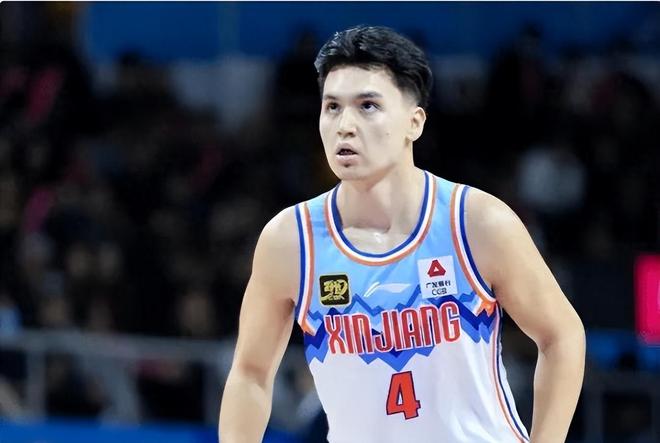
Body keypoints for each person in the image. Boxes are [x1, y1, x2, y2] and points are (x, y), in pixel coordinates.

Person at [219, 25, 585, 443]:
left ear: (414, 122)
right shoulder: (290, 240)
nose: (345, 125)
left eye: (367, 106)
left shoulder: (477, 222)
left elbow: (562, 335)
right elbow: (250, 373)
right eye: (332, 107)